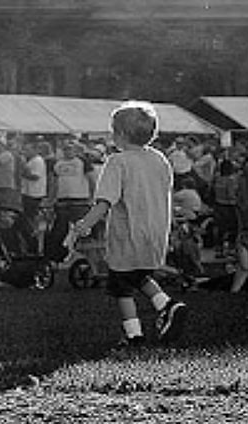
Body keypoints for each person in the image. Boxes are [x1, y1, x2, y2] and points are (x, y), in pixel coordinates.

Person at [71, 101, 188, 347]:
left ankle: (134, 335)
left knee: (121, 287)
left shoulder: (118, 162)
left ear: (121, 134)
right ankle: (166, 305)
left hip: (128, 234)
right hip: (154, 232)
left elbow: (105, 201)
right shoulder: (159, 160)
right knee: (139, 276)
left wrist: (84, 224)